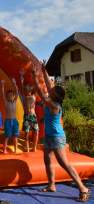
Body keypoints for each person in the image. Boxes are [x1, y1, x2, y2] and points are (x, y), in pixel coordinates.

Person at [31, 61, 90, 202]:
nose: (49, 91)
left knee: (64, 163)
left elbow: (40, 91)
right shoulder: (54, 99)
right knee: (48, 161)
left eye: (51, 92)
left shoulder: (54, 105)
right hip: (49, 136)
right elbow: (48, 85)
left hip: (57, 137)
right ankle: (51, 186)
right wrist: (43, 70)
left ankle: (83, 188)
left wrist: (34, 76)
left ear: (55, 96)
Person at [19, 69, 39, 152]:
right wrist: (21, 76)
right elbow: (21, 85)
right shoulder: (24, 96)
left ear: (30, 91)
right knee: (27, 133)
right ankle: (27, 148)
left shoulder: (33, 96)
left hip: (33, 116)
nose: (26, 91)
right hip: (27, 116)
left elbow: (37, 87)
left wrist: (35, 76)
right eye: (25, 90)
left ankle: (34, 147)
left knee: (36, 132)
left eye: (27, 90)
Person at [1, 78, 19, 153]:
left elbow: (17, 92)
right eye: (8, 96)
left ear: (13, 96)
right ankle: (4, 149)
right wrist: (3, 84)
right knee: (7, 136)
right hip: (8, 121)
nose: (10, 97)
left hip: (14, 120)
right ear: (7, 97)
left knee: (15, 137)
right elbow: (2, 93)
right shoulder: (6, 102)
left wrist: (14, 83)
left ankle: (15, 150)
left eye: (11, 96)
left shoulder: (14, 101)